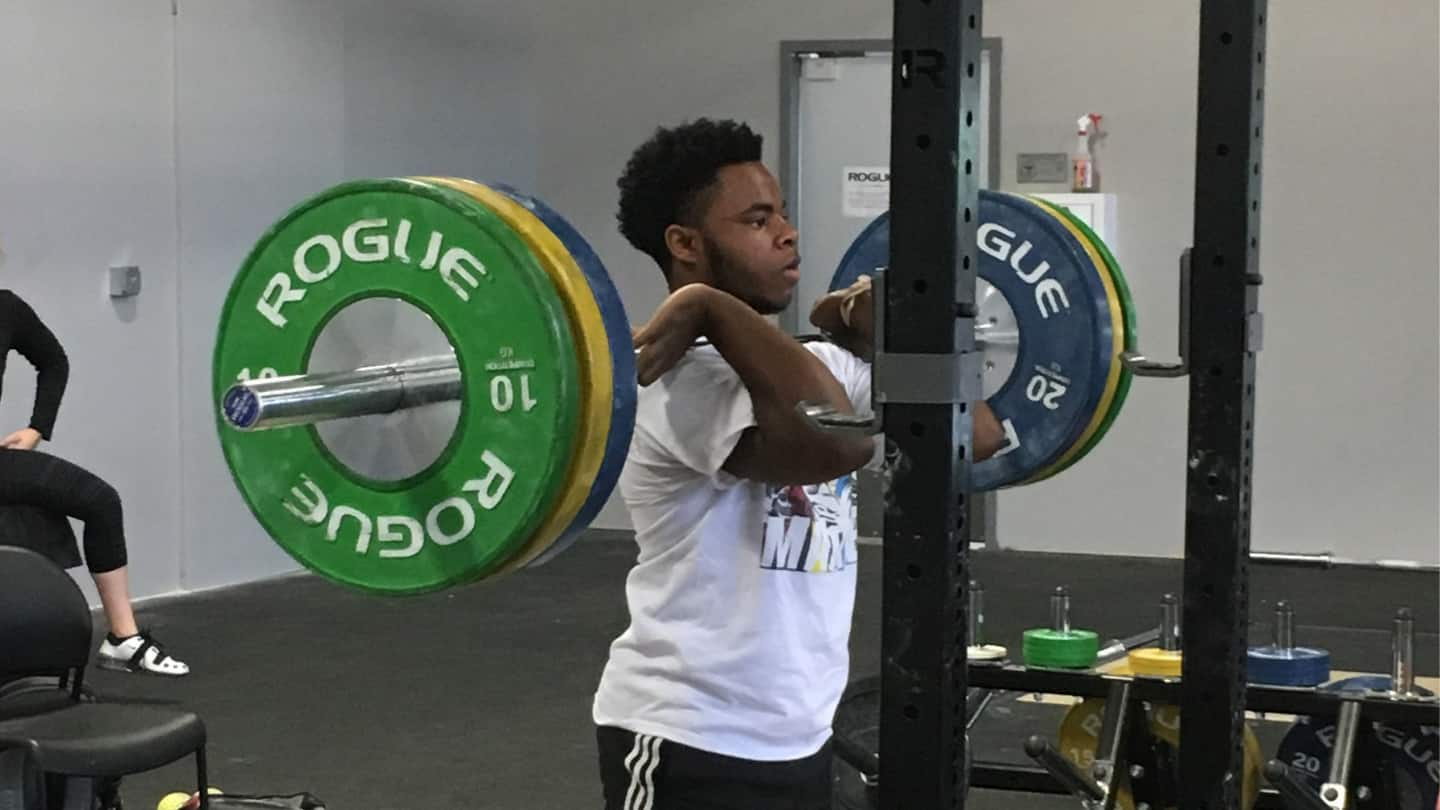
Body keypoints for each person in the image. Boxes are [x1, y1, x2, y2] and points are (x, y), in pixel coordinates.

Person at [594, 118, 1004, 809]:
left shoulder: (820, 363)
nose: (788, 233)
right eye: (758, 220)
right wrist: (706, 309)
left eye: (782, 213)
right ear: (686, 244)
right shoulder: (672, 381)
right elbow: (835, 444)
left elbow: (976, 433)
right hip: (685, 735)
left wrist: (888, 333)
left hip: (800, 734)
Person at [0, 285, 189, 677]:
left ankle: (123, 639)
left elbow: (53, 361)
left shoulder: (6, 307)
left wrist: (38, 428)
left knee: (100, 501)